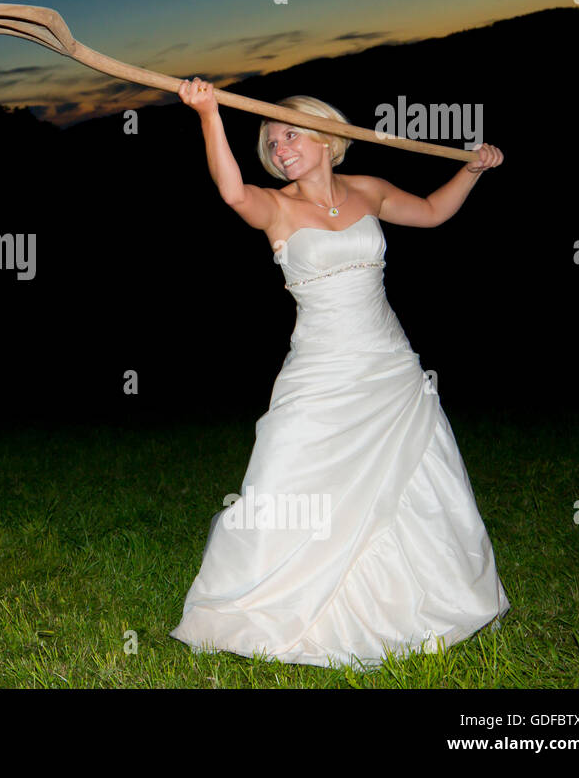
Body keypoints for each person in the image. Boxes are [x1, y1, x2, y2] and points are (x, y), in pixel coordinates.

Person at [169, 77, 509, 668]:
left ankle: (415, 603)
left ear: (327, 138)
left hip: (389, 367)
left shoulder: (368, 190)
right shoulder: (276, 206)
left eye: (290, 135)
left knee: (413, 479)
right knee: (289, 476)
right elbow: (231, 192)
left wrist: (472, 170)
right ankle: (273, 600)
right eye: (271, 142)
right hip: (320, 371)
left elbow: (432, 212)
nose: (279, 149)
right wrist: (207, 114)